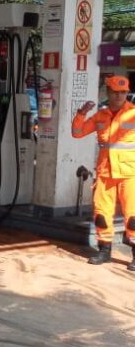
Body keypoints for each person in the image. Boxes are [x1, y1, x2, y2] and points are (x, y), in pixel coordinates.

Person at [71, 75, 135, 271]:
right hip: (106, 173)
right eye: (115, 92)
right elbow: (77, 132)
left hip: (130, 173)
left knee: (133, 217)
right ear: (107, 92)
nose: (119, 96)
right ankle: (104, 251)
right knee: (101, 214)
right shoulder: (100, 116)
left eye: (123, 92)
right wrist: (81, 113)